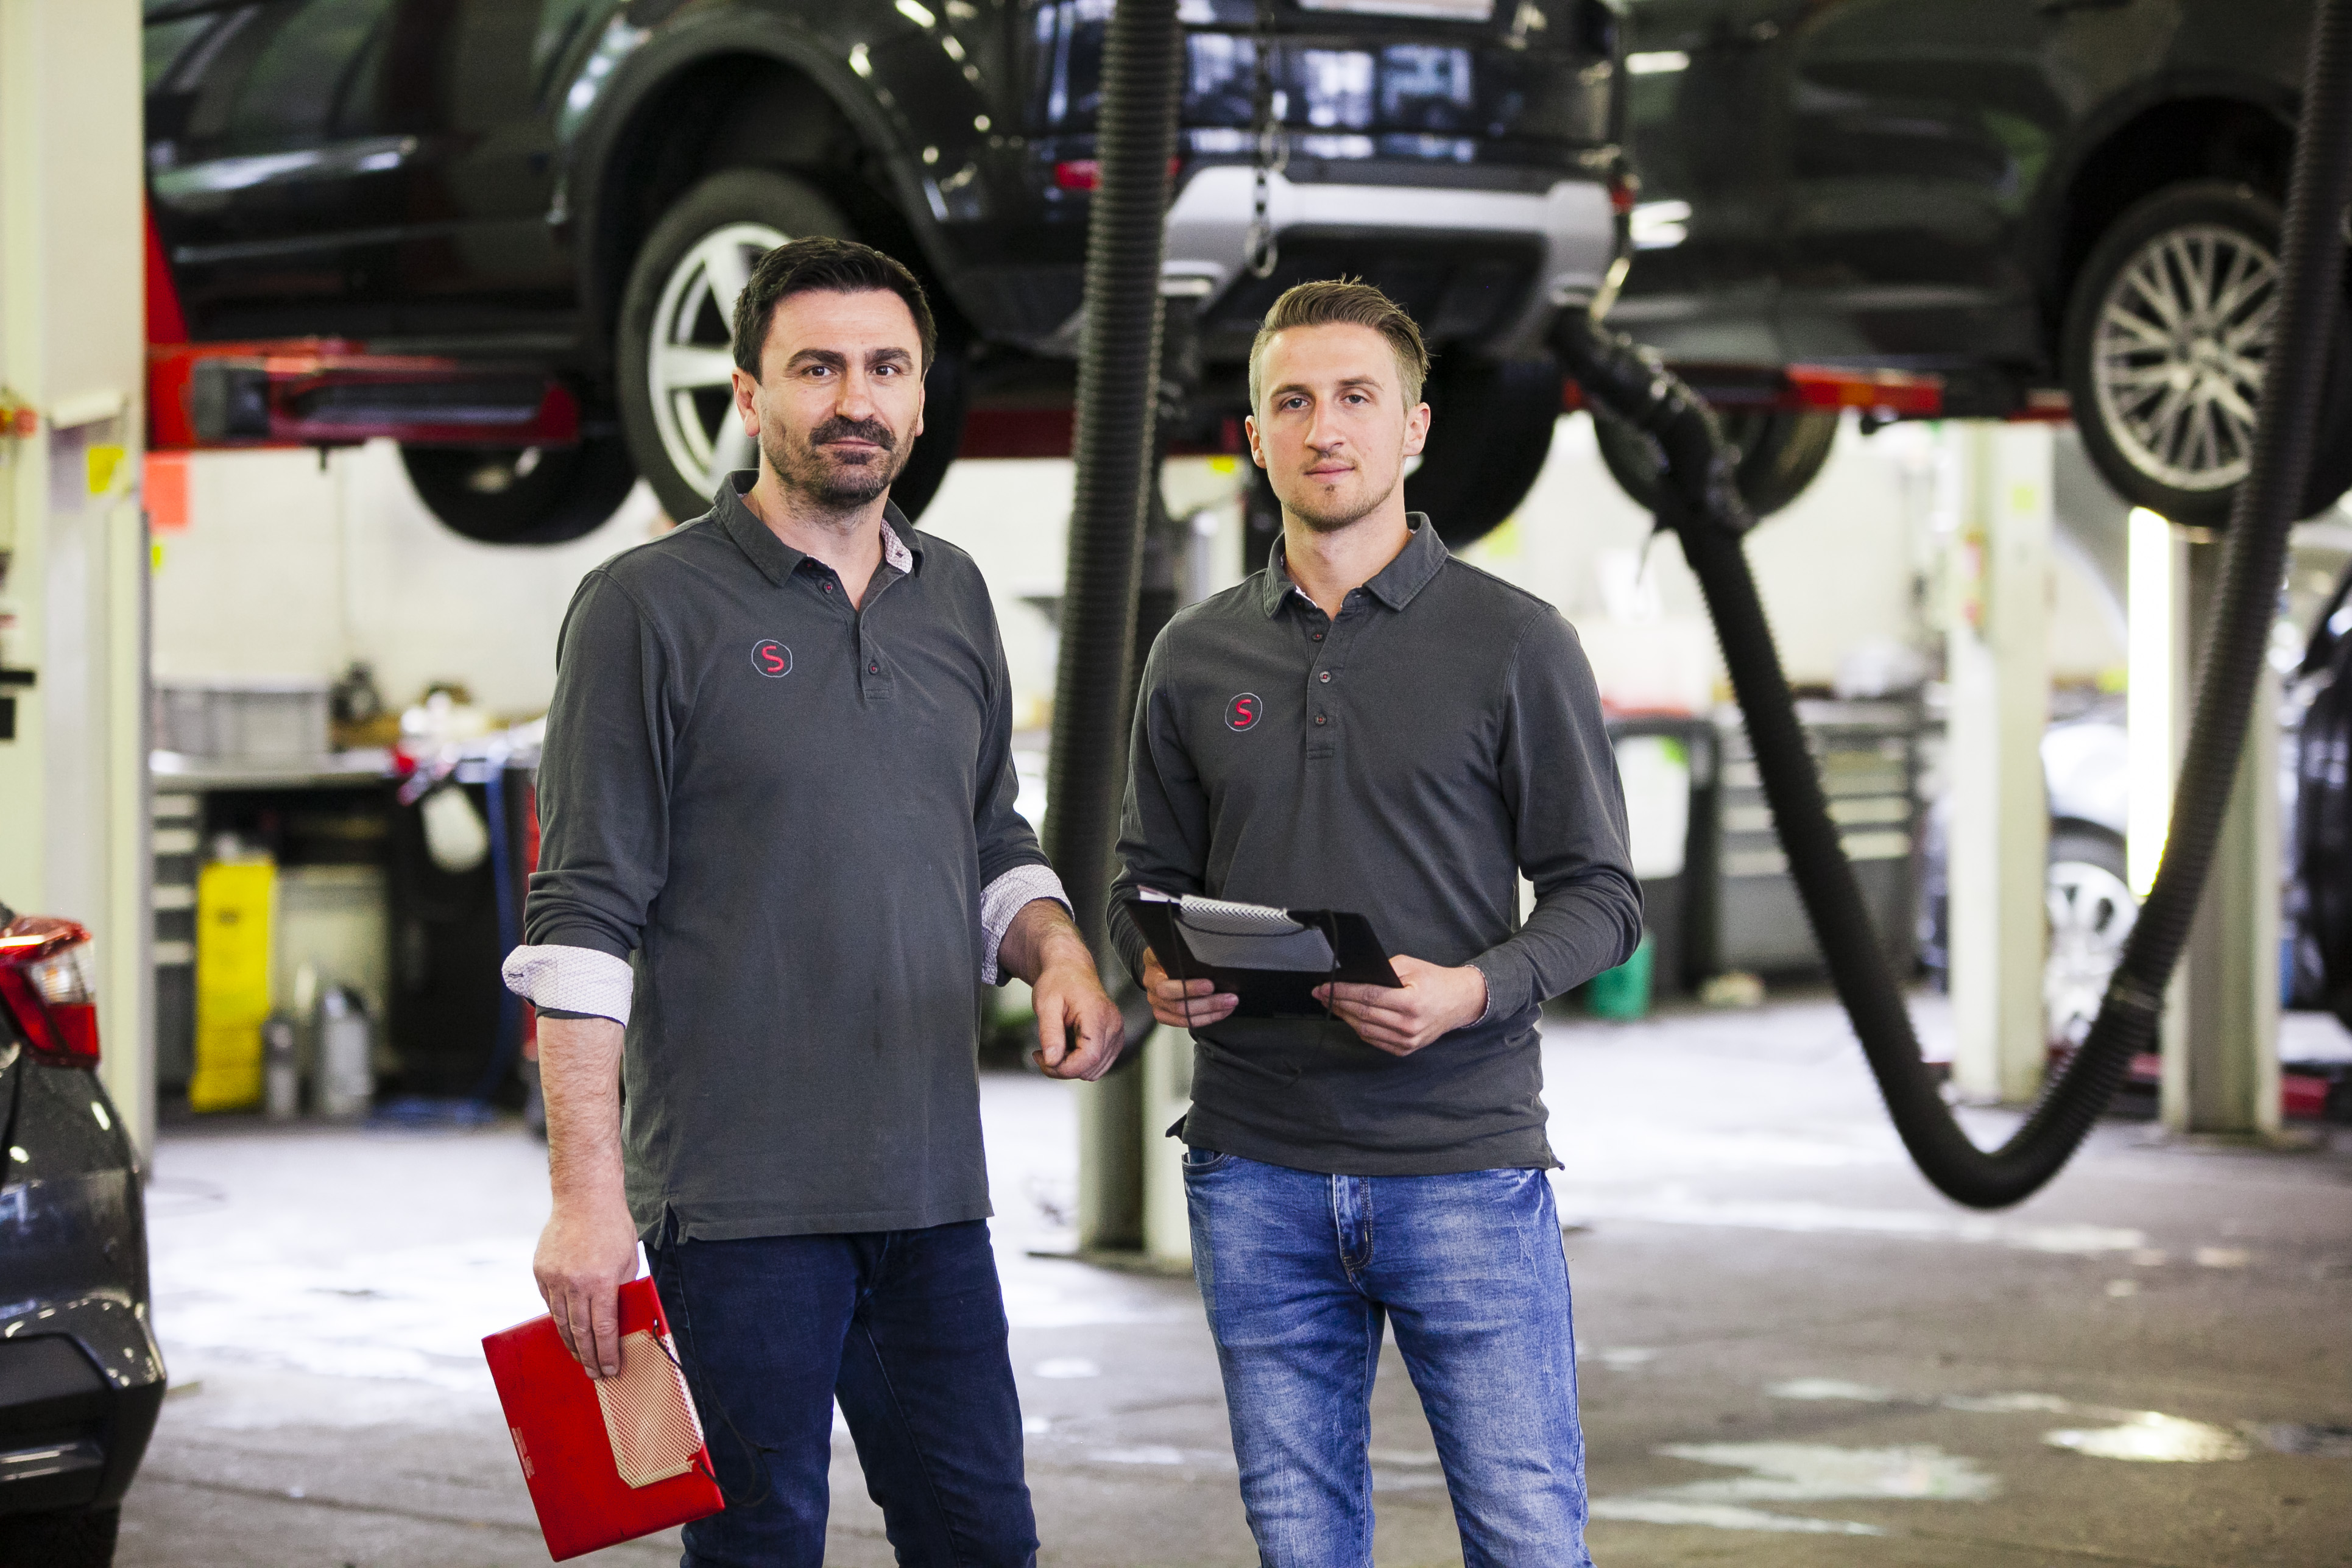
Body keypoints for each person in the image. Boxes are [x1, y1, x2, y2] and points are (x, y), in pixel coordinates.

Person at [504, 236, 1123, 1568]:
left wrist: (1056, 950)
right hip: (734, 1210)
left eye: (884, 367)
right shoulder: (643, 609)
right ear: (747, 395)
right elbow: (580, 922)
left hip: (930, 1194)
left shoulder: (950, 594)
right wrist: (583, 1199)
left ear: (918, 393)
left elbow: (985, 835)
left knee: (981, 1541)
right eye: (817, 367)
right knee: (758, 1549)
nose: (854, 398)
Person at [1108, 278, 1642, 1568]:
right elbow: (1145, 876)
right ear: (1253, 436)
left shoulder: (1514, 644)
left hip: (1460, 1161)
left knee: (1525, 1539)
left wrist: (1468, 990)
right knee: (1301, 1547)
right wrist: (1155, 971)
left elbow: (1602, 900)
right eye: (1291, 401)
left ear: (1412, 429)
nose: (1323, 427)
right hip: (1252, 1171)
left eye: (1356, 398)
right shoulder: (1192, 656)